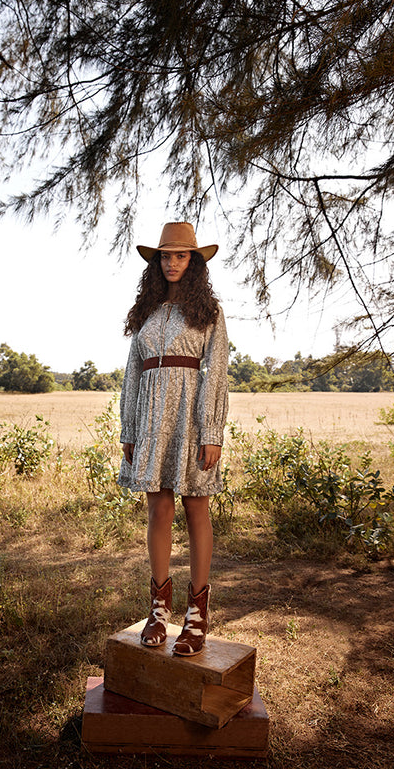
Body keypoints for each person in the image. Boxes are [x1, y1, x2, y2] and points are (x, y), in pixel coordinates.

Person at [118, 221, 229, 657]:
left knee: (195, 506)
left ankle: (197, 616)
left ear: (195, 261)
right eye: (165, 256)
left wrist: (212, 431)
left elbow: (216, 372)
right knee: (158, 507)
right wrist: (129, 428)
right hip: (149, 418)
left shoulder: (209, 313)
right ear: (156, 262)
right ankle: (158, 611)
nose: (172, 262)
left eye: (180, 255)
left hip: (190, 418)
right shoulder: (146, 312)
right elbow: (131, 372)